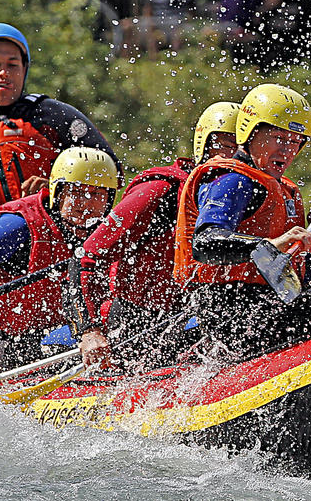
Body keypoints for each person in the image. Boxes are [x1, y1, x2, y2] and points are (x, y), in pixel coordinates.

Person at [170, 83, 311, 358]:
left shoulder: (282, 190)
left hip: (267, 312)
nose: (287, 150)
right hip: (233, 320)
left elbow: (304, 285)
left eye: (295, 141)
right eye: (278, 137)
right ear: (249, 132)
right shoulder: (232, 180)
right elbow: (204, 243)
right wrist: (269, 244)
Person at [66, 103, 241, 369]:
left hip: (186, 322)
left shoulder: (245, 198)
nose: (235, 157)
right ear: (204, 146)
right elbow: (86, 258)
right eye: (228, 146)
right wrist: (90, 331)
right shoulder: (160, 192)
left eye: (244, 149)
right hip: (130, 324)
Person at [0, 146, 120, 376]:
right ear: (58, 192)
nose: (85, 203)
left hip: (65, 332)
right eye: (75, 191)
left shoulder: (111, 231)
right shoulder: (19, 225)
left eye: (96, 194)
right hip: (1, 341)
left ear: (109, 199)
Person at [0, 23, 119, 224]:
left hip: (62, 238)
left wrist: (57, 189)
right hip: (3, 245)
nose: (4, 73)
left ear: (24, 69)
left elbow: (112, 173)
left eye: (12, 64)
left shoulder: (55, 115)